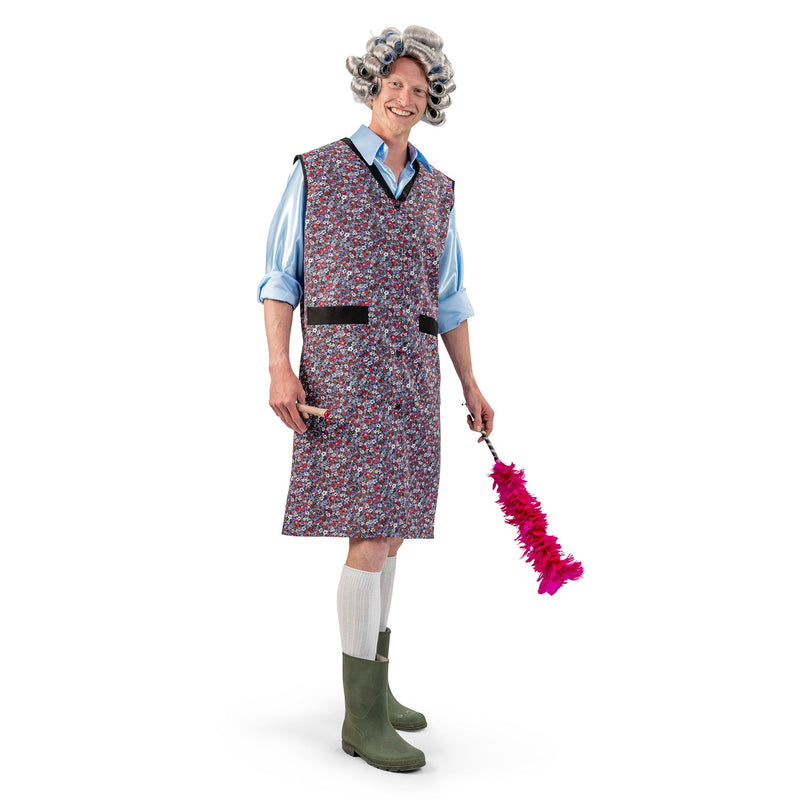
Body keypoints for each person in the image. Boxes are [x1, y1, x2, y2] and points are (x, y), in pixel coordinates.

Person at [258, 25, 494, 772]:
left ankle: (377, 687)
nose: (405, 97)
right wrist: (279, 368)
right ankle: (360, 717)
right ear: (373, 85)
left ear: (432, 102)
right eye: (395, 83)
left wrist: (471, 383)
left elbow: (449, 297)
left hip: (413, 380)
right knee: (368, 530)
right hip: (346, 374)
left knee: (393, 534)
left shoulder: (439, 191)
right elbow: (279, 278)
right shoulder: (316, 170)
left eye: (420, 90)